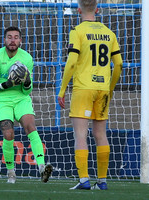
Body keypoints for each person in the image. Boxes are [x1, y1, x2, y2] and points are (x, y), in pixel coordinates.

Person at [58, 0, 122, 190]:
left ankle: (84, 179)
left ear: (78, 9)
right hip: (102, 89)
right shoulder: (109, 33)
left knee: (80, 135)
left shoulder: (77, 31)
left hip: (83, 88)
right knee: (100, 134)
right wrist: (110, 89)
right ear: (97, 9)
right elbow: (118, 64)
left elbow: (71, 63)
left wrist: (62, 90)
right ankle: (102, 181)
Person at [0, 26, 52, 184]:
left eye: (16, 37)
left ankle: (42, 167)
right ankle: (11, 173)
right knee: (8, 134)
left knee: (30, 127)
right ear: (4, 40)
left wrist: (28, 82)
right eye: (9, 37)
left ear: (20, 41)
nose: (12, 40)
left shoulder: (27, 58)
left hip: (21, 98)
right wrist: (6, 85)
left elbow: (26, 91)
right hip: (2, 99)